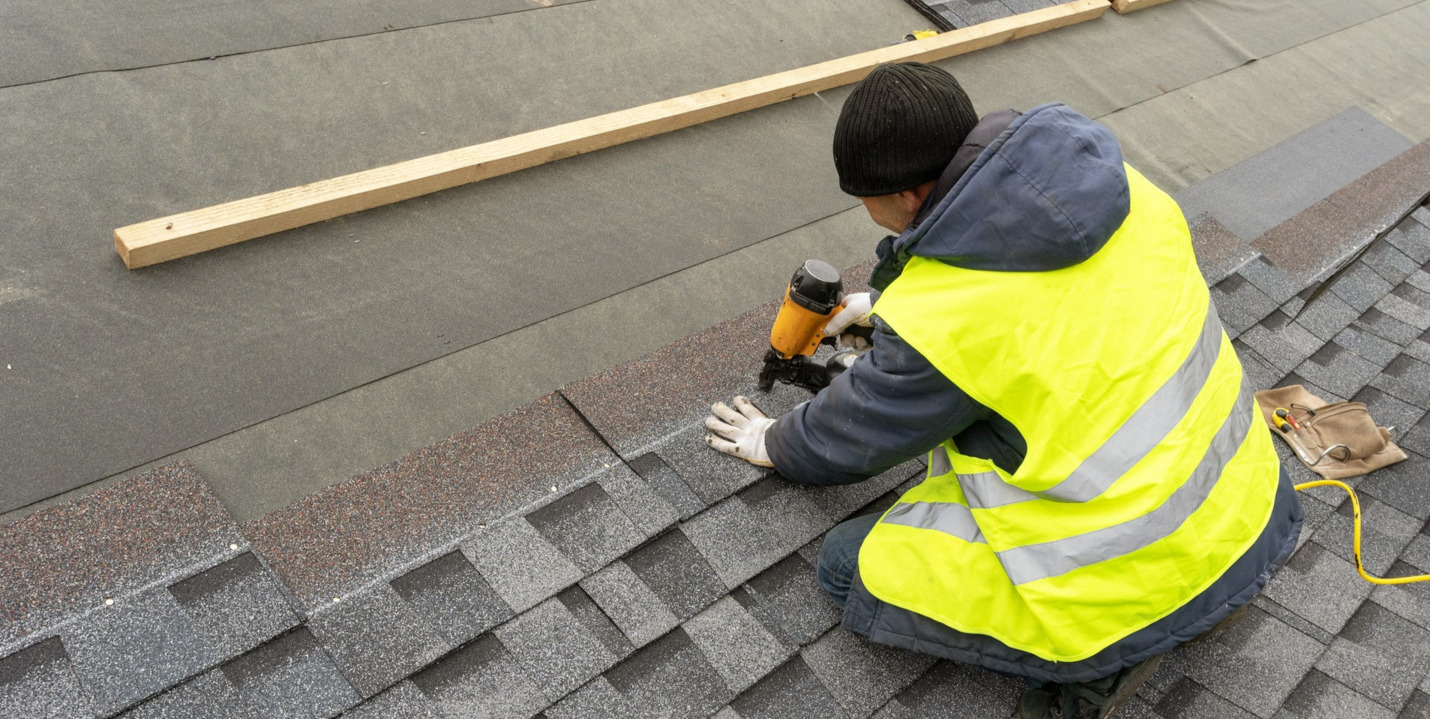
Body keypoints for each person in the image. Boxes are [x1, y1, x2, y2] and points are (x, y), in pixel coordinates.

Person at [703, 62, 1303, 719]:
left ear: (904, 196)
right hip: (1243, 505)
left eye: (863, 196)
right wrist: (893, 308)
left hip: (1132, 571)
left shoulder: (954, 322)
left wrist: (774, 440)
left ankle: (1105, 657)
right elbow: (1048, 308)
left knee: (847, 567)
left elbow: (852, 435)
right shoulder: (1124, 191)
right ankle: (1171, 604)